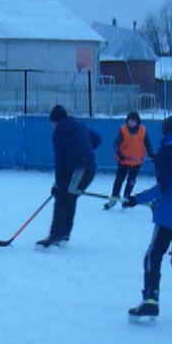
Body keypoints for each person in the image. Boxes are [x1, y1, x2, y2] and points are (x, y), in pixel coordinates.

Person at [124, 115, 172, 320]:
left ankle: (150, 301)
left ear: (164, 132)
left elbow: (163, 189)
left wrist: (137, 199)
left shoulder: (165, 153)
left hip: (169, 215)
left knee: (153, 255)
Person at [37, 105, 101, 248]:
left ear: (56, 121)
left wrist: (58, 183)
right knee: (69, 197)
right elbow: (97, 139)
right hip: (89, 169)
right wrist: (84, 151)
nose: (52, 126)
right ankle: (64, 233)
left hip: (79, 171)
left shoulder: (59, 133)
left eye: (52, 123)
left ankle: (57, 235)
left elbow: (59, 161)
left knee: (62, 198)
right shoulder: (79, 125)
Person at [103, 111, 155, 210]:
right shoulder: (123, 130)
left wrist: (151, 154)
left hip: (137, 161)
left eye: (133, 121)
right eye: (129, 121)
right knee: (119, 180)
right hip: (123, 160)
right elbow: (116, 144)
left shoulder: (143, 130)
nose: (130, 123)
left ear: (137, 122)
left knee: (131, 181)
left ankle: (126, 198)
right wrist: (119, 153)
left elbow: (148, 144)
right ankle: (114, 197)